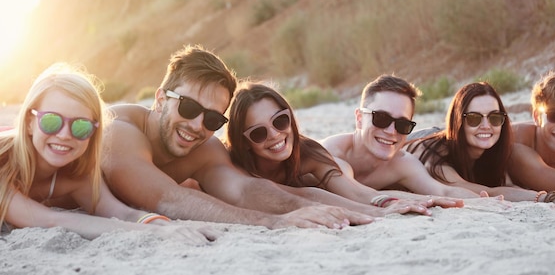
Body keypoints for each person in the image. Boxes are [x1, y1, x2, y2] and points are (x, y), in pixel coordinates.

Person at [102, 45, 374, 229]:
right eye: (188, 107)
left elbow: (244, 190)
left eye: (212, 118)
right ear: (161, 100)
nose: (198, 125)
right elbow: (167, 198)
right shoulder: (119, 129)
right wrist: (275, 222)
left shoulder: (205, 148)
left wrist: (304, 209)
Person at [0, 63, 217, 243]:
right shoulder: (4, 162)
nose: (65, 135)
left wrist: (164, 224)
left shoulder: (77, 172)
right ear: (29, 123)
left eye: (80, 126)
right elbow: (50, 220)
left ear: (94, 131)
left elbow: (121, 213)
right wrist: (158, 233)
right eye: (51, 121)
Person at [223, 82, 453, 216]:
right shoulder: (230, 165)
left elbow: (355, 192)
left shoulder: (309, 153)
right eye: (258, 133)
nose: (274, 135)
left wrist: (388, 205)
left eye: (280, 121)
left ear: (290, 118)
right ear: (243, 141)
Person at [405, 82, 555, 202]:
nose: (486, 126)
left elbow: (509, 187)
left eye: (494, 118)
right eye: (474, 118)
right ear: (458, 122)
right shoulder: (435, 154)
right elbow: (485, 192)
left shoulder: (494, 152)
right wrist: (548, 198)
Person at [320, 74, 479, 203]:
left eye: (402, 124)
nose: (391, 131)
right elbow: (358, 195)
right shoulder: (330, 153)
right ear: (360, 118)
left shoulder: (402, 163)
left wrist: (486, 201)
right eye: (381, 118)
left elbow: (443, 191)